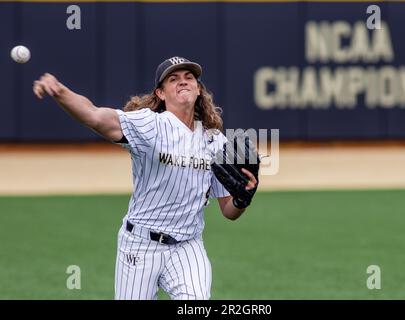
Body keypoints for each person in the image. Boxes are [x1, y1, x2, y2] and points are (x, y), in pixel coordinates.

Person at [33, 56, 258, 300]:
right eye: (173, 79)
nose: (183, 82)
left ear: (199, 89)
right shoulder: (149, 125)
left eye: (189, 77)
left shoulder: (215, 141)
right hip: (139, 246)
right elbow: (95, 116)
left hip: (188, 246)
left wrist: (242, 200)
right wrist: (60, 91)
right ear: (161, 93)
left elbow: (228, 210)